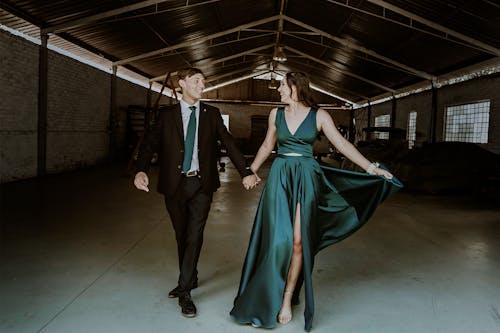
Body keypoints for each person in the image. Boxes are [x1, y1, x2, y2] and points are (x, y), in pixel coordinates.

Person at [230, 72, 402, 331]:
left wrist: (371, 168)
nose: (278, 90)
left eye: (282, 86)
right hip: (281, 177)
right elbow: (267, 145)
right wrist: (250, 171)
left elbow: (342, 145)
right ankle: (265, 297)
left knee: (299, 242)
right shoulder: (275, 115)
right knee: (278, 242)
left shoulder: (320, 116)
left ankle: (287, 298)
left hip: (307, 178)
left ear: (296, 88)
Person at [134, 67, 259, 318]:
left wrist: (246, 171)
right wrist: (140, 170)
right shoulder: (167, 115)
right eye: (196, 81)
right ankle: (190, 277)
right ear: (182, 84)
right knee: (182, 235)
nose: (202, 85)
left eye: (204, 81)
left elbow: (230, 144)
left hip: (202, 184)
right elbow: (150, 143)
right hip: (173, 184)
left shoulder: (212, 115)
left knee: (194, 234)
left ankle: (185, 291)